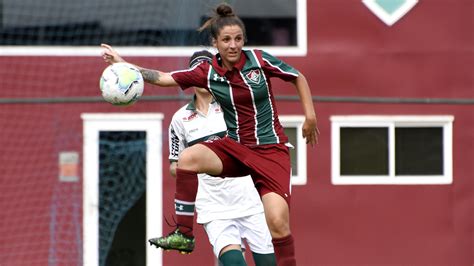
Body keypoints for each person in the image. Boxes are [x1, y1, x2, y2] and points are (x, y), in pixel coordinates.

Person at [101, 3, 319, 265]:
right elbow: (161, 77)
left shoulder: (260, 60)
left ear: (244, 40)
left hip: (270, 151)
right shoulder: (207, 73)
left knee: (278, 224)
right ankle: (184, 233)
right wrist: (124, 65)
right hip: (236, 149)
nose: (233, 45)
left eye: (238, 39)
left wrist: (310, 116)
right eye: (226, 39)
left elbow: (297, 76)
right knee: (188, 159)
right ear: (215, 42)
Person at [151, 50, 276, 265]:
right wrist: (203, 162)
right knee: (234, 263)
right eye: (196, 71)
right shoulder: (180, 119)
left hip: (250, 201)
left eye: (206, 69)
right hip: (214, 208)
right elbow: (175, 166)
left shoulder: (234, 106)